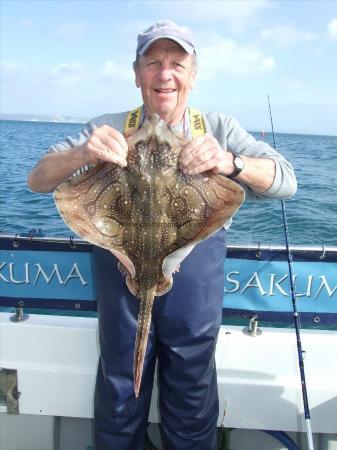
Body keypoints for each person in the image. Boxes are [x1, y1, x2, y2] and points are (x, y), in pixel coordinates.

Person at [28, 20, 297, 450]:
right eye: (153, 62)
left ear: (193, 74)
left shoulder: (219, 127)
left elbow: (287, 180)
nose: (164, 73)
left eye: (177, 63)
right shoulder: (108, 126)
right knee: (121, 387)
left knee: (191, 388)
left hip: (194, 292)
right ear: (137, 74)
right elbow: (38, 179)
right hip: (122, 275)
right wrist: (84, 152)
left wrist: (231, 162)